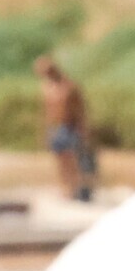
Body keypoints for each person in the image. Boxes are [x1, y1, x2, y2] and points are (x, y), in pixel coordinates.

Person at [35, 57, 97, 202]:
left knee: (74, 159)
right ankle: (67, 188)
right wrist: (45, 131)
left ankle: (77, 189)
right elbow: (46, 112)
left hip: (70, 127)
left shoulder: (69, 87)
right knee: (61, 160)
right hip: (55, 128)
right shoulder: (46, 88)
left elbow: (80, 110)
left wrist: (83, 129)